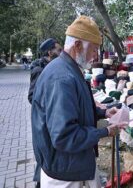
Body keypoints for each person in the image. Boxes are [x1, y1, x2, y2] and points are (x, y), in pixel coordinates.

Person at [31, 15, 126, 188]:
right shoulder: (62, 78)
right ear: (77, 45)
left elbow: (76, 109)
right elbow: (64, 136)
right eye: (93, 49)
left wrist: (103, 112)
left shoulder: (68, 69)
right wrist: (104, 132)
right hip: (65, 172)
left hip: (73, 164)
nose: (95, 55)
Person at [28, 38, 62, 104]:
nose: (62, 53)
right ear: (50, 53)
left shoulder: (54, 67)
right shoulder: (39, 70)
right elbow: (32, 98)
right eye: (59, 50)